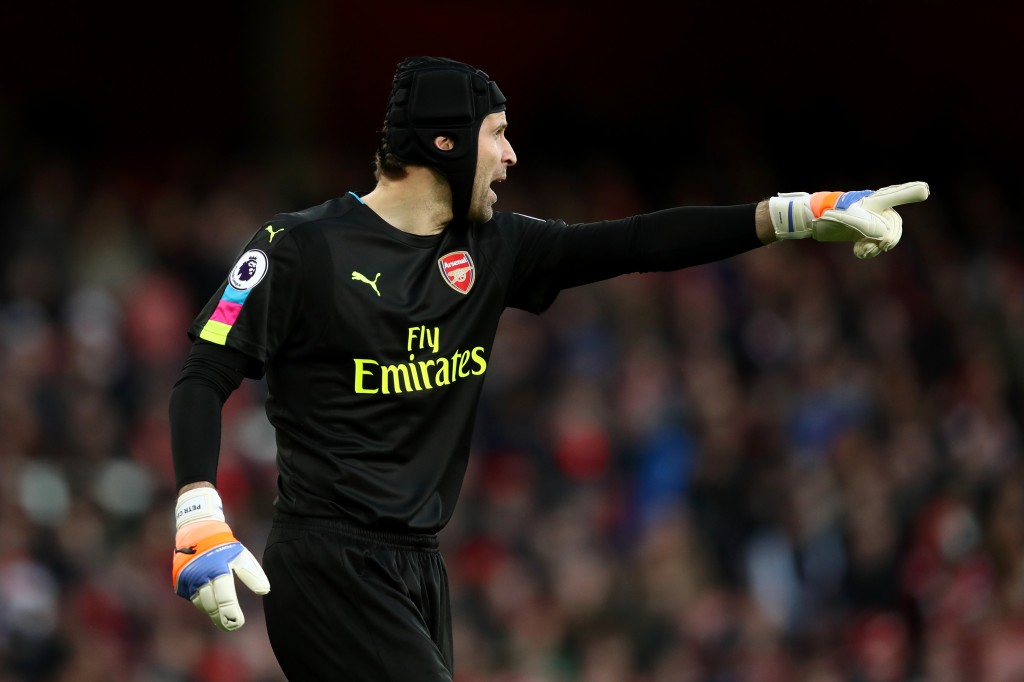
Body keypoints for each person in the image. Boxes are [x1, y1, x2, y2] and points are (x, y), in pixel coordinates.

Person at [168, 55, 930, 681]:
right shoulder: (299, 248)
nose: (510, 156)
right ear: (444, 142)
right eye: (498, 135)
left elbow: (636, 243)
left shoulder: (495, 248)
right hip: (327, 567)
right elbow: (204, 371)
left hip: (418, 568)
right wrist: (198, 511)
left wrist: (794, 214)